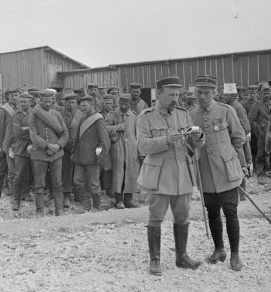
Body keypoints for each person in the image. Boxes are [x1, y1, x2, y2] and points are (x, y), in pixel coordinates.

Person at [136, 75, 206, 276]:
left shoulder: (183, 114)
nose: (176, 98)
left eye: (177, 94)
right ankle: (155, 260)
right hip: (159, 175)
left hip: (182, 173)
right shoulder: (145, 117)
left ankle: (181, 256)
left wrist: (199, 137)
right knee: (156, 218)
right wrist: (166, 140)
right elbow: (142, 146)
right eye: (171, 94)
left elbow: (194, 143)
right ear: (159, 94)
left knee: (182, 217)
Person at [189, 76, 247, 271]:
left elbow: (239, 137)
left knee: (231, 213)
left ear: (214, 93)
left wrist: (229, 154)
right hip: (205, 172)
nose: (202, 96)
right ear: (195, 93)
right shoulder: (190, 115)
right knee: (212, 212)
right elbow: (189, 144)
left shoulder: (225, 111)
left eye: (206, 93)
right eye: (199, 92)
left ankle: (235, 254)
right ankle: (219, 249)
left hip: (226, 171)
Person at [29, 90, 69, 216]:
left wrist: (58, 145)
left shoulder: (57, 115)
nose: (47, 104)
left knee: (57, 183)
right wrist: (47, 145)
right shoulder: (34, 115)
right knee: (39, 184)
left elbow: (65, 134)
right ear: (40, 101)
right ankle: (40, 210)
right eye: (45, 101)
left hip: (56, 154)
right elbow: (33, 135)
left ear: (53, 100)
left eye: (50, 101)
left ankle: (59, 209)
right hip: (40, 154)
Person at [72, 95, 111, 211]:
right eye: (81, 106)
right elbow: (77, 139)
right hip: (80, 156)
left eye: (85, 105)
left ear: (92, 105)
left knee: (94, 183)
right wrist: (74, 153)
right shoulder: (83, 118)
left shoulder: (98, 119)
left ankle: (96, 207)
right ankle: (86, 205)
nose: (82, 108)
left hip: (93, 157)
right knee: (77, 181)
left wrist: (101, 157)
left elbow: (105, 140)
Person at [104, 92, 141, 209]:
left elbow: (139, 134)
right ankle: (119, 200)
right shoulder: (113, 115)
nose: (123, 106)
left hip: (132, 149)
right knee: (118, 174)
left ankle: (128, 200)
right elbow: (104, 128)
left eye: (126, 104)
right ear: (118, 103)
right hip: (117, 148)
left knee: (131, 174)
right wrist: (117, 127)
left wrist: (140, 152)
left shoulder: (134, 116)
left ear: (129, 104)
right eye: (121, 103)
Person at [222, 83, 253, 199]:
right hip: (230, 143)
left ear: (232, 96)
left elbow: (247, 127)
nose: (223, 97)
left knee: (240, 167)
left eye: (226, 95)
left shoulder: (238, 108)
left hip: (237, 144)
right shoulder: (226, 107)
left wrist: (235, 135)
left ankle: (242, 194)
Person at [8, 93, 35, 210]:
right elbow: (17, 132)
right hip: (20, 147)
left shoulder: (35, 113)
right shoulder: (16, 115)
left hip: (34, 145)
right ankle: (16, 200)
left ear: (30, 102)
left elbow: (37, 130)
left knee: (35, 172)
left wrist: (28, 130)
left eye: (25, 102)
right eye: (21, 102)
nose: (23, 104)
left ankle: (28, 194)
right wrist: (29, 130)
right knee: (18, 174)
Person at [60, 92, 83, 208]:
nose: (71, 105)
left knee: (78, 172)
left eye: (73, 102)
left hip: (78, 148)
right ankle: (67, 195)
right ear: (65, 103)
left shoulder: (81, 115)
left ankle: (79, 194)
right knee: (66, 172)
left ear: (77, 104)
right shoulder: (59, 115)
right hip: (64, 148)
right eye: (69, 102)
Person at [248, 83, 271, 183]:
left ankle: (270, 171)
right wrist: (258, 128)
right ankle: (260, 173)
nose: (266, 95)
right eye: (264, 93)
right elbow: (251, 119)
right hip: (262, 133)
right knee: (261, 153)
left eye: (268, 93)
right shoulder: (256, 105)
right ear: (261, 94)